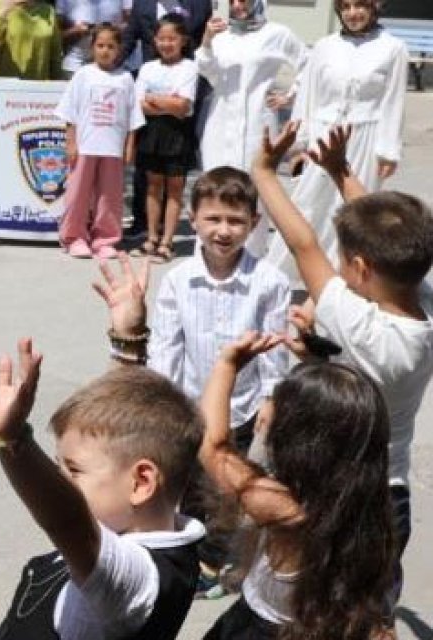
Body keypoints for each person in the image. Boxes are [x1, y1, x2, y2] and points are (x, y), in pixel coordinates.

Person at [255, 122, 433, 624]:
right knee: (373, 612)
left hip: (339, 494)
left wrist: (264, 173)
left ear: (358, 267)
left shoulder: (360, 325)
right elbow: (390, 234)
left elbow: (302, 244)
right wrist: (341, 172)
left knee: (316, 610)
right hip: (390, 496)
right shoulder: (422, 300)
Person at [0, 337, 205, 638]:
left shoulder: (140, 585)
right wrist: (127, 342)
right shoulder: (142, 524)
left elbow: (68, 521)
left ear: (141, 483)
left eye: (73, 470)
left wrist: (13, 441)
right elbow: (120, 435)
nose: (60, 479)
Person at [146, 167, 290, 593]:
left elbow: (275, 346)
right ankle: (187, 543)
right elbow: (166, 345)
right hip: (188, 403)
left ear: (253, 224)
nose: (223, 230)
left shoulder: (270, 283)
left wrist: (272, 397)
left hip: (241, 407)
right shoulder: (177, 280)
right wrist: (160, 399)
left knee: (228, 489)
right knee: (186, 483)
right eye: (213, 219)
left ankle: (212, 561)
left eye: (235, 221)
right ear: (194, 219)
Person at [198, 334, 395, 638]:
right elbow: (334, 420)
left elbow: (213, 447)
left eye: (274, 402)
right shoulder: (365, 504)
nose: (266, 407)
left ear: (296, 440)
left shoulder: (286, 512)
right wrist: (314, 365)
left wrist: (227, 365)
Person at [264, 0, 409, 278]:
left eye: (360, 6)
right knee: (308, 202)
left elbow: (394, 100)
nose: (353, 13)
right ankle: (281, 274)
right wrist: (301, 142)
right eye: (346, 7)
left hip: (365, 138)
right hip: (324, 134)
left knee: (356, 210)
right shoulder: (324, 46)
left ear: (374, 7)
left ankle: (345, 277)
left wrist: (389, 151)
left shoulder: (393, 48)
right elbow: (308, 94)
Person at [195, 0, 306, 256]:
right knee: (214, 189)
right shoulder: (221, 34)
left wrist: (290, 95)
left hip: (258, 122)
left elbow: (307, 64)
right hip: (220, 125)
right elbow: (208, 72)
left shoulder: (276, 34)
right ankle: (209, 261)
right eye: (232, 0)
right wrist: (208, 40)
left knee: (254, 192)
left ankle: (251, 262)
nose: (237, 5)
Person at [54, 25, 142, 259]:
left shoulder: (125, 78)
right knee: (78, 193)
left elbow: (133, 117)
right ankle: (74, 236)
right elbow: (70, 113)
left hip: (112, 148)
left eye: (111, 46)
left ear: (119, 49)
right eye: (100, 46)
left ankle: (105, 238)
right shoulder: (83, 75)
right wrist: (71, 142)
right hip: (85, 146)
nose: (105, 51)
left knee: (110, 196)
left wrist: (129, 146)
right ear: (92, 48)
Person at [131, 15, 198, 263]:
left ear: (183, 41)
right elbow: (139, 105)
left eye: (172, 38)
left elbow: (183, 107)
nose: (166, 43)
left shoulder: (189, 67)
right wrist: (168, 101)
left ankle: (167, 242)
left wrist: (155, 99)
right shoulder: (148, 68)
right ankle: (151, 237)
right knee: (153, 187)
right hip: (151, 133)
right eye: (161, 38)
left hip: (177, 134)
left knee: (174, 190)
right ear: (154, 40)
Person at [0, 0, 63, 134]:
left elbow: (55, 55)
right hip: (4, 94)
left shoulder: (48, 11)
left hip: (35, 96)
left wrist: (57, 92)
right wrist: (4, 12)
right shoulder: (0, 4)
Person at [56, 0, 129, 79]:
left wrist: (111, 31)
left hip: (109, 64)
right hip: (74, 64)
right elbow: (56, 35)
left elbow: (131, 25)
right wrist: (75, 30)